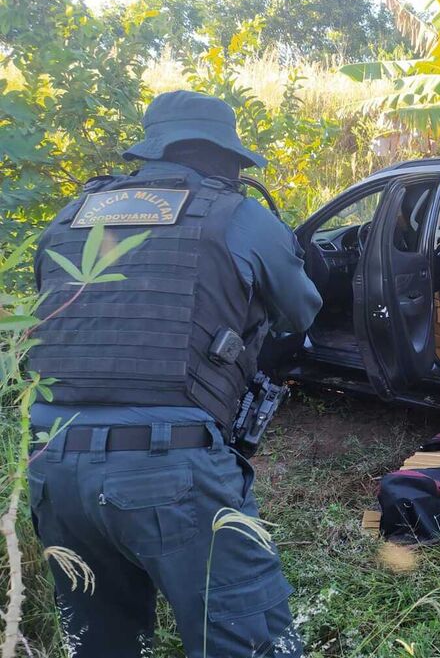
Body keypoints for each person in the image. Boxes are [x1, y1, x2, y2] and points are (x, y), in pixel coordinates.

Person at [26, 90, 322, 657]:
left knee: (100, 643)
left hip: (53, 468)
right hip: (168, 467)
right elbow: (302, 311)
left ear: (154, 149)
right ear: (221, 156)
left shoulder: (73, 214)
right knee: (249, 640)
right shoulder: (237, 217)